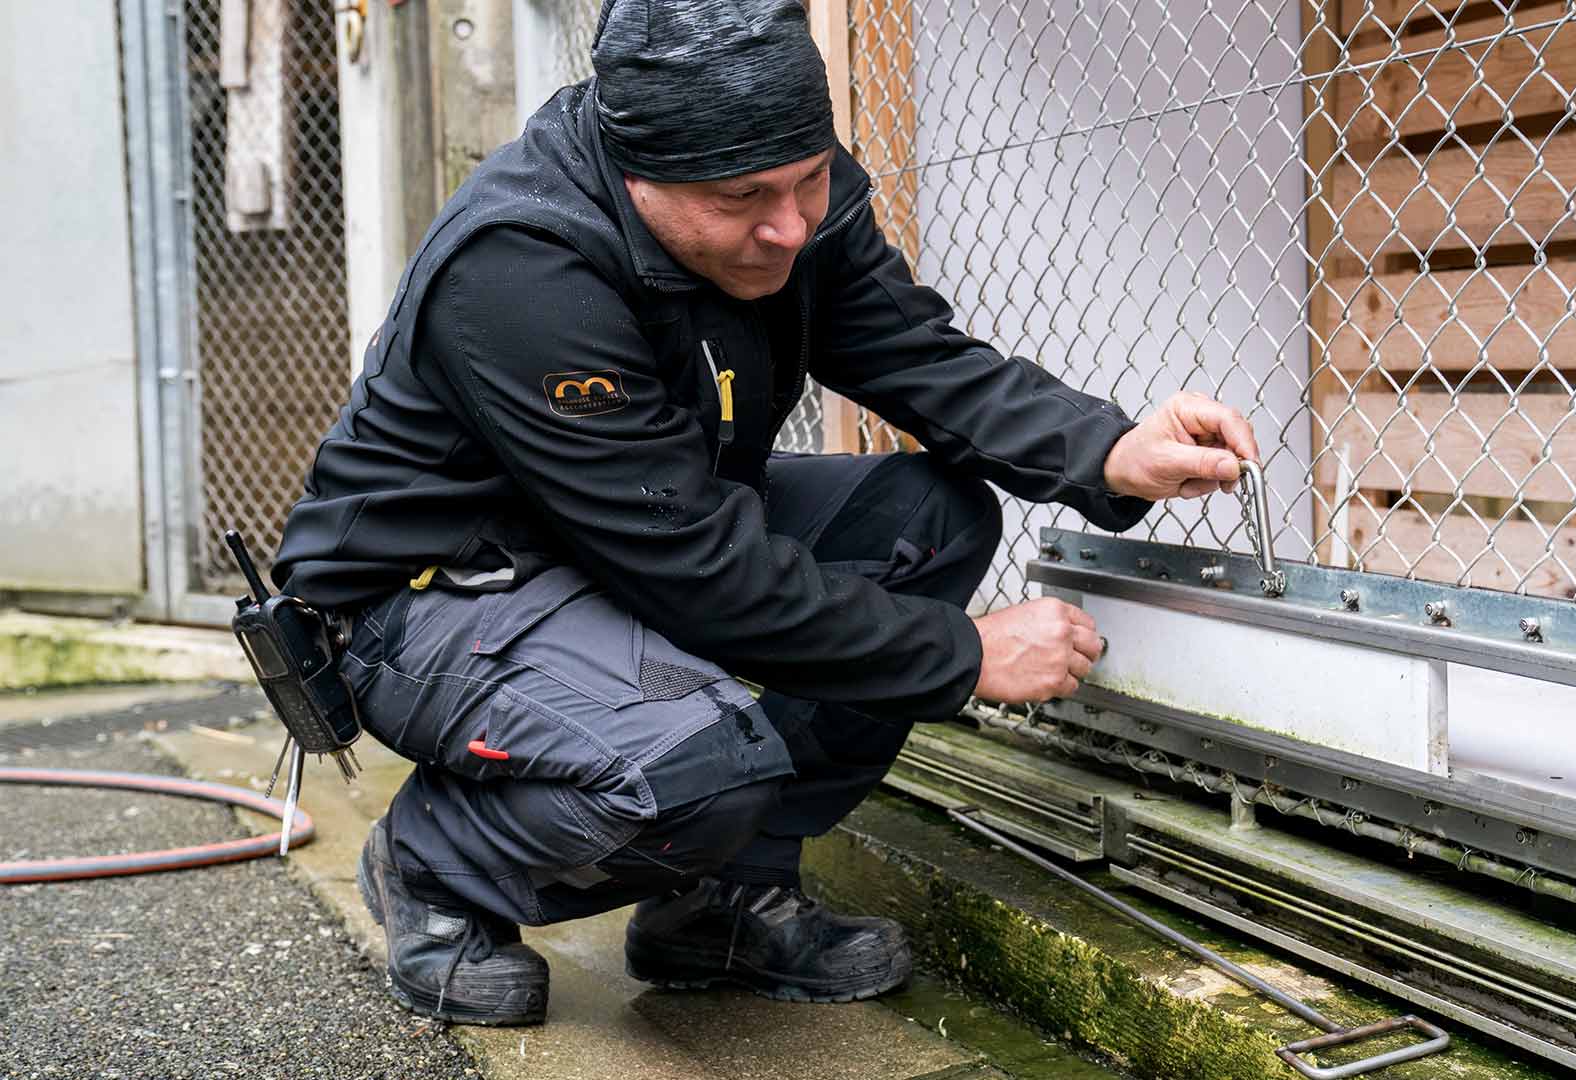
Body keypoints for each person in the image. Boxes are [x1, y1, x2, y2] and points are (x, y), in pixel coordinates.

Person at [274, 0, 1258, 1026]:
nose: (790, 225)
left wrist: (1107, 450)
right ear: (636, 176)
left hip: (634, 532)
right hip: (435, 599)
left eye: (808, 180)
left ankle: (723, 899)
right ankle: (438, 863)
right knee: (692, 767)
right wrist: (961, 655)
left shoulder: (785, 183)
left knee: (928, 516)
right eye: (745, 198)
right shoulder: (521, 267)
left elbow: (914, 356)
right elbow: (700, 573)